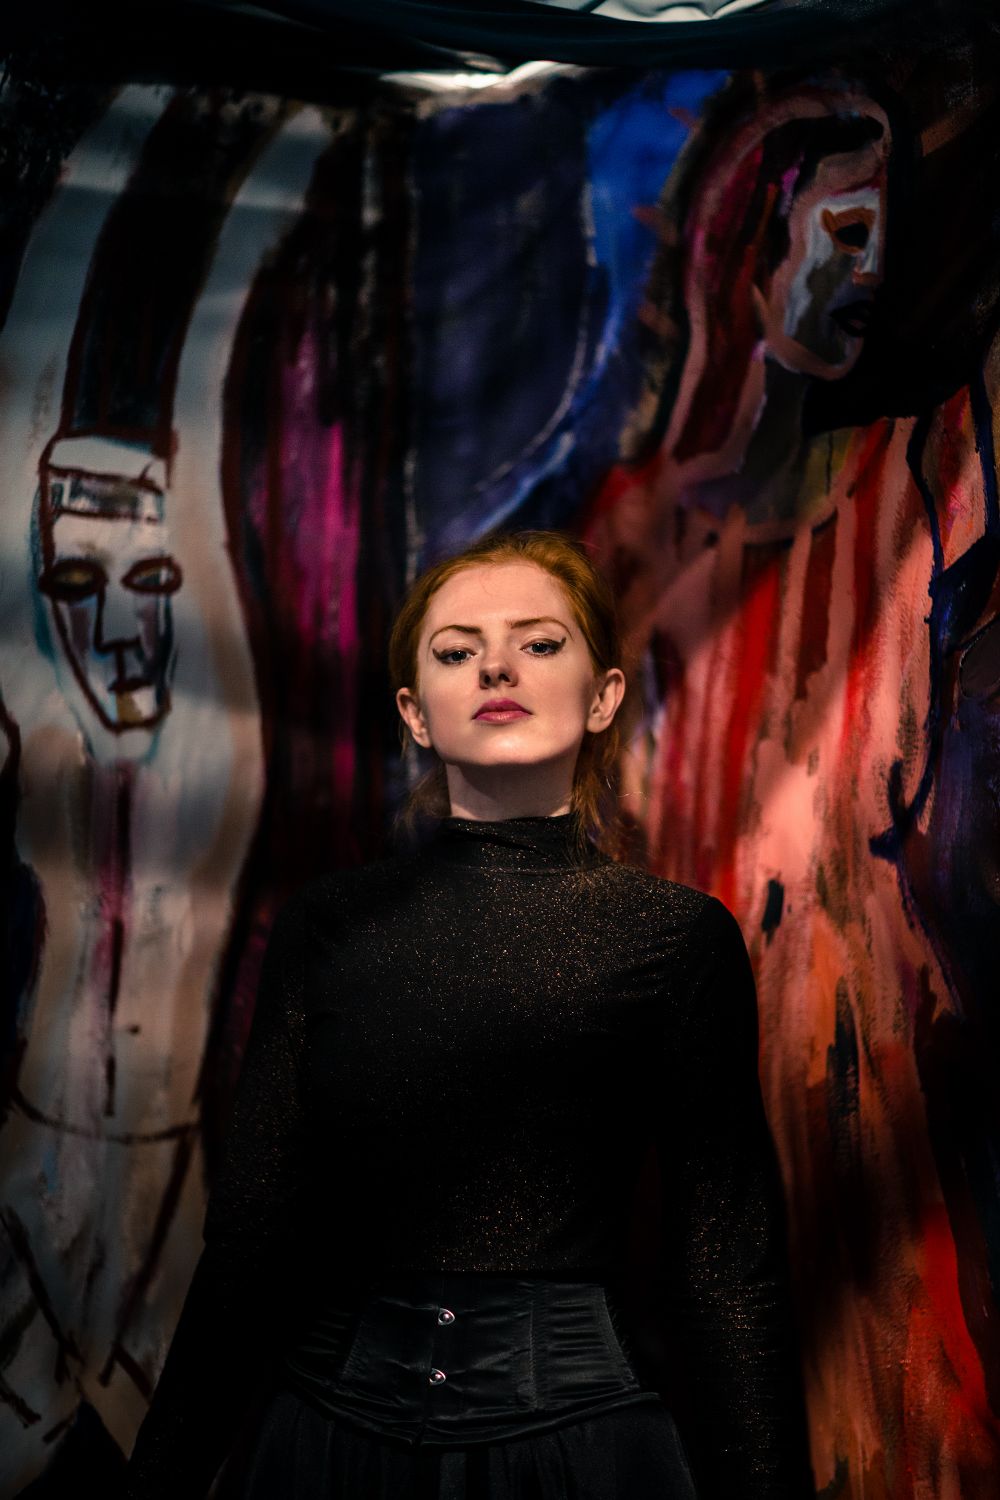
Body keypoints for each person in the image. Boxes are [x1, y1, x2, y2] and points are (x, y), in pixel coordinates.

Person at [121, 528, 814, 1499]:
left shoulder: (676, 938)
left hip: (579, 1459)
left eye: (540, 643)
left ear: (604, 695)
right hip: (325, 1452)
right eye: (456, 651)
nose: (496, 666)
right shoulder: (328, 928)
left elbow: (725, 1259)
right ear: (414, 712)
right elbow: (250, 1242)